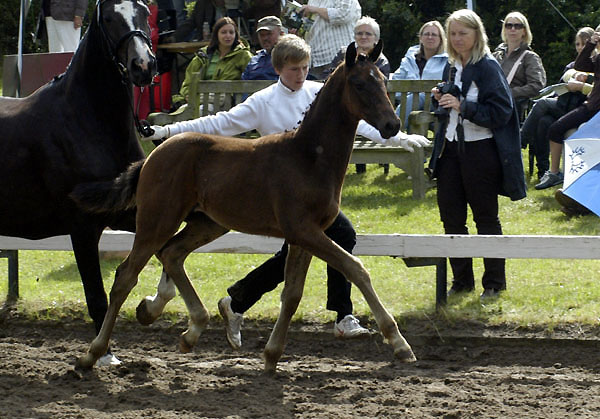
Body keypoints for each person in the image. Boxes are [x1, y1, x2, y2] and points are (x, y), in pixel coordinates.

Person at [142, 34, 430, 348]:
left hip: (314, 190)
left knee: (322, 241)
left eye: (305, 67)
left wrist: (400, 140)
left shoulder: (319, 93)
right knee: (335, 237)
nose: (301, 74)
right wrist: (167, 130)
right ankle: (335, 314)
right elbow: (220, 123)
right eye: (294, 68)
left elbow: (359, 119)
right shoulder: (263, 101)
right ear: (279, 68)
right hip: (274, 191)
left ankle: (240, 302)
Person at [428, 9, 526, 300]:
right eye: (454, 33)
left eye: (463, 33)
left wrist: (462, 106)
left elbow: (502, 112)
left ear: (476, 35)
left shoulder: (487, 66)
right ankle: (462, 281)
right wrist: (443, 97)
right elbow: (451, 107)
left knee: (485, 217)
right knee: (451, 217)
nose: (457, 39)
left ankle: (494, 283)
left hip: (480, 150)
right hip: (450, 150)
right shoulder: (452, 64)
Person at [521, 27, 594, 181]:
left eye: (584, 44)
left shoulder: (594, 65)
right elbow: (566, 76)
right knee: (544, 121)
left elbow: (593, 91)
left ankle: (521, 139)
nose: (580, 47)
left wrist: (583, 85)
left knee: (541, 104)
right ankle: (544, 170)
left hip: (579, 110)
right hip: (563, 106)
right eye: (577, 44)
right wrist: (574, 75)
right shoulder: (573, 65)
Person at [323, 16, 390, 174]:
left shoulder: (380, 62)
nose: (363, 37)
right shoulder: (344, 55)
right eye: (359, 33)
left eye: (368, 33)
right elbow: (328, 76)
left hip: (372, 110)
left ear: (376, 39)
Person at [172, 17, 253, 109]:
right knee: (182, 111)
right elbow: (188, 82)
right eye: (223, 32)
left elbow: (253, 78)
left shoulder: (243, 55)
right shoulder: (204, 55)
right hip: (199, 98)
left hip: (226, 103)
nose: (228, 36)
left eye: (231, 32)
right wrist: (187, 94)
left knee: (202, 111)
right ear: (216, 35)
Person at [391, 20, 448, 127]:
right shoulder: (410, 59)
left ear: (441, 39)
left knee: (417, 97)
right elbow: (396, 82)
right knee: (413, 99)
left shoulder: (447, 60)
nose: (430, 37)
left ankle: (394, 131)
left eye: (434, 34)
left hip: (436, 104)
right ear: (420, 38)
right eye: (426, 34)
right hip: (409, 104)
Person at [492, 11, 546, 120]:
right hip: (491, 107)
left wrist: (509, 93)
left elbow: (537, 85)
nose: (512, 29)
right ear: (504, 30)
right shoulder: (495, 56)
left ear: (524, 31)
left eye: (517, 26)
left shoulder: (530, 57)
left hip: (513, 111)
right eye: (509, 25)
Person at [298, 0, 361, 79]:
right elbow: (311, 23)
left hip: (337, 57)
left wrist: (315, 9)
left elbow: (343, 15)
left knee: (338, 89)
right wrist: (299, 30)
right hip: (314, 59)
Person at [241, 16, 284, 81]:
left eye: (269, 34)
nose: (265, 38)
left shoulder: (289, 57)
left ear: (281, 34)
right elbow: (243, 85)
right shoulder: (254, 61)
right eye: (262, 35)